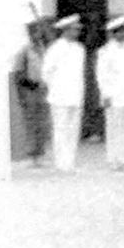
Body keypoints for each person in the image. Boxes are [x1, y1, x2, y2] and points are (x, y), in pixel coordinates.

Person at [96, 15, 124, 171]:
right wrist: (105, 95)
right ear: (112, 34)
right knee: (114, 127)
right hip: (114, 96)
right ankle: (112, 159)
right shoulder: (105, 51)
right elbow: (101, 75)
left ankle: (123, 159)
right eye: (119, 32)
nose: (123, 35)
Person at [44, 15, 87, 172]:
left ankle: (70, 162)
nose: (78, 32)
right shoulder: (55, 48)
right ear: (66, 30)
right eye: (75, 29)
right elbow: (46, 72)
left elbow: (80, 74)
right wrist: (56, 87)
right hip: (60, 95)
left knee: (73, 130)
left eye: (78, 29)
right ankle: (61, 163)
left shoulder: (79, 49)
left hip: (75, 95)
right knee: (60, 129)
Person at [13, 18, 51, 168]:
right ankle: (32, 154)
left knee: (43, 123)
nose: (38, 35)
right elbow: (19, 74)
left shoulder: (44, 49)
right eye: (35, 32)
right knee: (31, 122)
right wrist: (23, 92)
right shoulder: (24, 51)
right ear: (30, 34)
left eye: (39, 32)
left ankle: (40, 153)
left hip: (43, 90)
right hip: (31, 89)